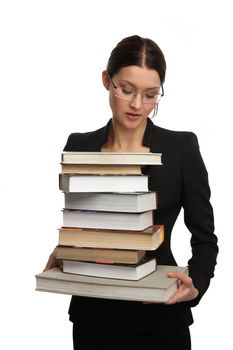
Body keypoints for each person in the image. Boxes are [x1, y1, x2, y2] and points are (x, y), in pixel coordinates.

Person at [44, 35, 218, 349]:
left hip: (160, 313)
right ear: (106, 81)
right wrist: (66, 254)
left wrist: (198, 284)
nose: (138, 105)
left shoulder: (180, 149)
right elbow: (81, 223)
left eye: (150, 95)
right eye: (126, 90)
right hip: (92, 315)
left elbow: (205, 238)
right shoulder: (78, 146)